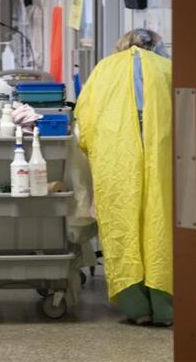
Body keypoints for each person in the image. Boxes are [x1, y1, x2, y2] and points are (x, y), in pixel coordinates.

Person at [74, 29, 173, 326]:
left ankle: (136, 307)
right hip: (162, 159)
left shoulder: (104, 69)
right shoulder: (168, 70)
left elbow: (85, 123)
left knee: (122, 225)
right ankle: (164, 307)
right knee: (160, 226)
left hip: (117, 161)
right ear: (158, 46)